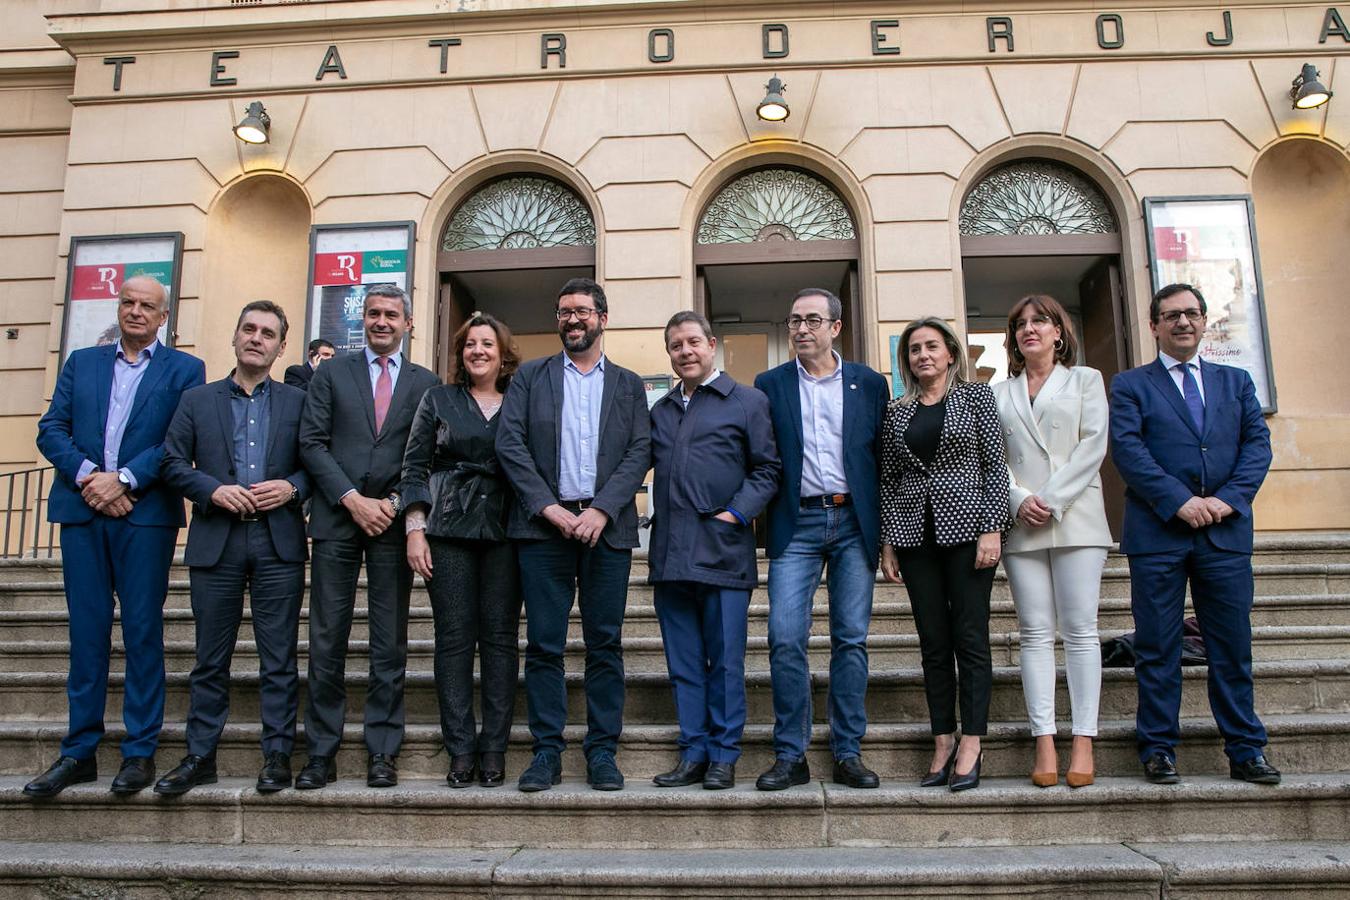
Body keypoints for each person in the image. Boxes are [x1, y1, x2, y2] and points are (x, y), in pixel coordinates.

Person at [26, 275, 205, 798]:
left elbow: (179, 439)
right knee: (87, 633)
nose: (135, 312)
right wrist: (89, 476)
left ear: (163, 316)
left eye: (147, 306)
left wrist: (124, 479)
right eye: (128, 302)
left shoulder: (184, 370)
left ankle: (139, 751)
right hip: (83, 513)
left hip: (143, 515)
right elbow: (50, 428)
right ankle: (78, 750)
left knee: (143, 632)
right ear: (118, 306)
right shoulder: (83, 362)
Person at [1109, 283, 1279, 785]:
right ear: (1154, 326)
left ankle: (1246, 749)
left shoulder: (1236, 382)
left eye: (1191, 313)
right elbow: (1128, 450)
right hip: (1159, 533)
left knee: (1230, 645)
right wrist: (1178, 501)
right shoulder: (1131, 384)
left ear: (1205, 322)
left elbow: (1257, 447)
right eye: (1171, 315)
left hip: (1224, 534)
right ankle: (1158, 749)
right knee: (1158, 647)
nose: (1183, 322)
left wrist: (1227, 500)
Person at [496, 277, 651, 793]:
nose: (572, 319)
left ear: (602, 319)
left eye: (582, 311)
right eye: (564, 312)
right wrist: (549, 508)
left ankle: (603, 752)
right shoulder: (530, 378)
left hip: (606, 531)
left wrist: (602, 510)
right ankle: (546, 753)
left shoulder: (628, 384)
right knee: (543, 644)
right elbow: (510, 445)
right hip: (544, 533)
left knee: (604, 644)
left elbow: (639, 452)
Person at [157, 301, 310, 795]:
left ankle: (278, 756)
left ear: (281, 346)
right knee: (209, 658)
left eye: (268, 332)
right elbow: (172, 462)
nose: (256, 338)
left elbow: (318, 462)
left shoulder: (298, 402)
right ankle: (200, 755)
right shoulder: (197, 400)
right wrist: (210, 490)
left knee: (279, 658)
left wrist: (292, 488)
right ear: (235, 335)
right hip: (215, 542)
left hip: (277, 541)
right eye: (249, 328)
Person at [297, 284, 439, 789]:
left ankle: (383, 750)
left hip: (391, 526)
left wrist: (395, 505)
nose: (382, 321)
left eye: (391, 315)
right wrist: (351, 499)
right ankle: (320, 753)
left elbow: (428, 457)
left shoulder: (427, 383)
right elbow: (310, 443)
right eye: (374, 314)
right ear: (364, 321)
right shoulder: (332, 372)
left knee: (389, 643)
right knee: (327, 638)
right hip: (338, 520)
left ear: (408, 323)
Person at [752, 288, 889, 791]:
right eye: (794, 321)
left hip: (855, 523)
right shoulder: (769, 385)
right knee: (785, 637)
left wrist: (889, 536)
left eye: (812, 320)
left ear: (836, 326)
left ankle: (847, 751)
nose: (801, 329)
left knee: (850, 639)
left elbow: (884, 461)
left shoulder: (869, 384)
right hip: (797, 523)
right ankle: (791, 754)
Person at [648, 311, 780, 790]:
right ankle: (694, 752)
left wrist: (736, 515)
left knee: (725, 662)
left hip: (723, 551)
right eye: (676, 345)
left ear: (712, 344)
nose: (685, 352)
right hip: (670, 556)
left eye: (692, 343)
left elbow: (767, 469)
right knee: (684, 663)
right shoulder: (660, 411)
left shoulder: (747, 401)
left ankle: (724, 755)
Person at [878, 316, 1010, 792]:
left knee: (970, 638)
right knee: (933, 643)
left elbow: (995, 466)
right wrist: (888, 542)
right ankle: (942, 739)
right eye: (914, 350)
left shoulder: (976, 398)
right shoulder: (897, 412)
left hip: (970, 530)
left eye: (932, 347)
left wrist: (993, 528)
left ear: (951, 354)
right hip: (916, 538)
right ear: (907, 361)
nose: (923, 356)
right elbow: (890, 480)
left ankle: (973, 740)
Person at [992, 295, 1110, 789]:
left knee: (1081, 629)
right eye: (1020, 323)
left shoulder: (1086, 380)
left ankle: (1083, 737)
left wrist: (1050, 498)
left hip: (1076, 516)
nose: (1029, 329)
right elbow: (991, 456)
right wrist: (1020, 499)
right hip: (1023, 522)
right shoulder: (998, 392)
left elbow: (1093, 445)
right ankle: (1045, 738)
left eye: (1040, 321)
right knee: (1035, 632)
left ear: (1059, 331)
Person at [402, 312, 522, 788]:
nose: (478, 351)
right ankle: (460, 749)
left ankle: (494, 747)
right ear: (461, 352)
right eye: (470, 344)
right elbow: (413, 466)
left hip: (508, 531)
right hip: (448, 529)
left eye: (487, 344)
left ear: (502, 352)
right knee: (453, 641)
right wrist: (415, 528)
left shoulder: (521, 400)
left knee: (499, 640)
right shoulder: (438, 399)